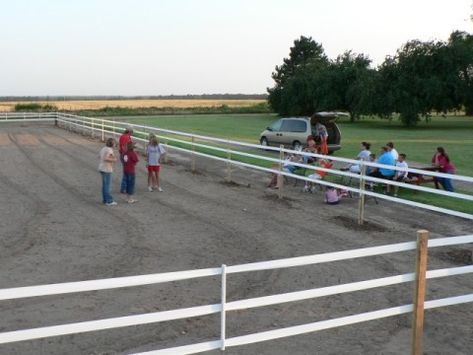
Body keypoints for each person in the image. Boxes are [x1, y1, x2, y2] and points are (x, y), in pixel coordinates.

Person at [98, 138, 118, 206]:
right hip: (106, 169)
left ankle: (105, 199)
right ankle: (109, 200)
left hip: (102, 168)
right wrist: (113, 160)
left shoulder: (103, 148)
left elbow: (99, 156)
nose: (115, 144)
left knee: (104, 185)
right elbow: (105, 158)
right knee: (107, 186)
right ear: (112, 144)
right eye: (114, 143)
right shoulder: (109, 150)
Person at [119, 127, 134, 194]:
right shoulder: (127, 137)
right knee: (127, 172)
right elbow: (125, 147)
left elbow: (122, 146)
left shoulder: (122, 136)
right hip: (126, 155)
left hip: (122, 154)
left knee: (126, 172)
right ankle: (124, 188)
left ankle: (124, 187)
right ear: (129, 132)